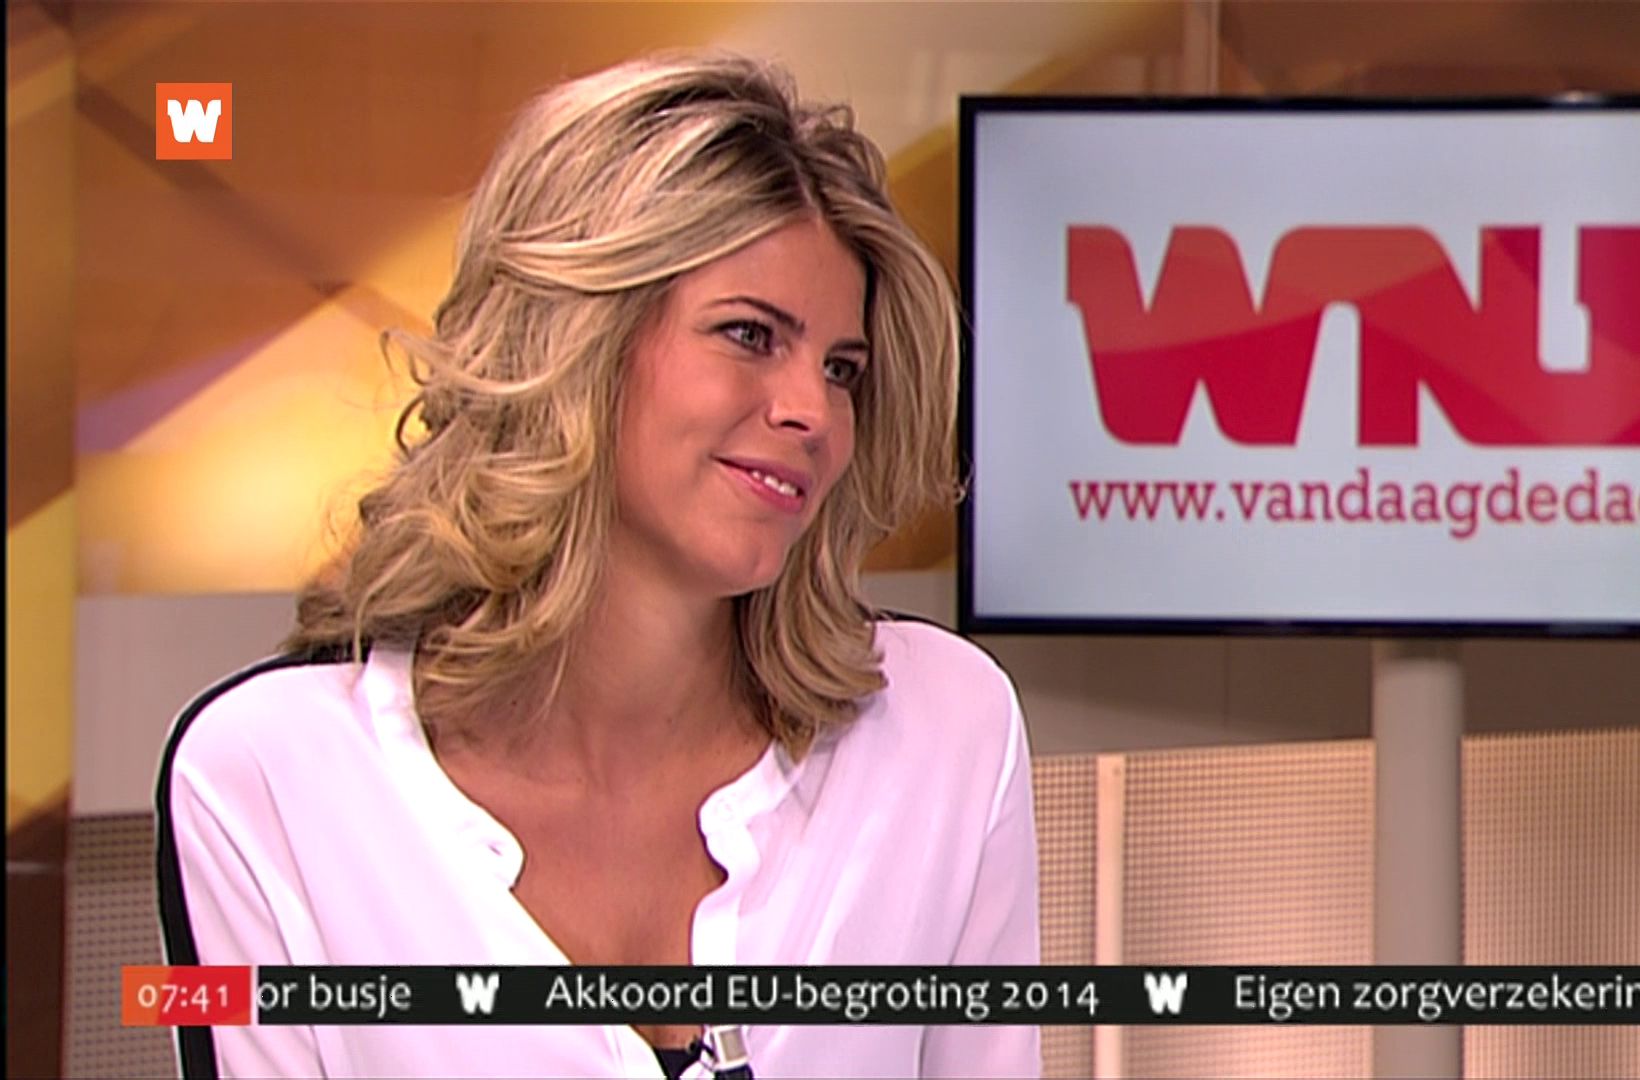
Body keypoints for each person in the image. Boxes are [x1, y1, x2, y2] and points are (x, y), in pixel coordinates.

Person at [155, 52, 1040, 1080]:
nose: (813, 413)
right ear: (577, 343)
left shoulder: (943, 729)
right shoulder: (272, 777)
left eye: (841, 369)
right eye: (749, 335)